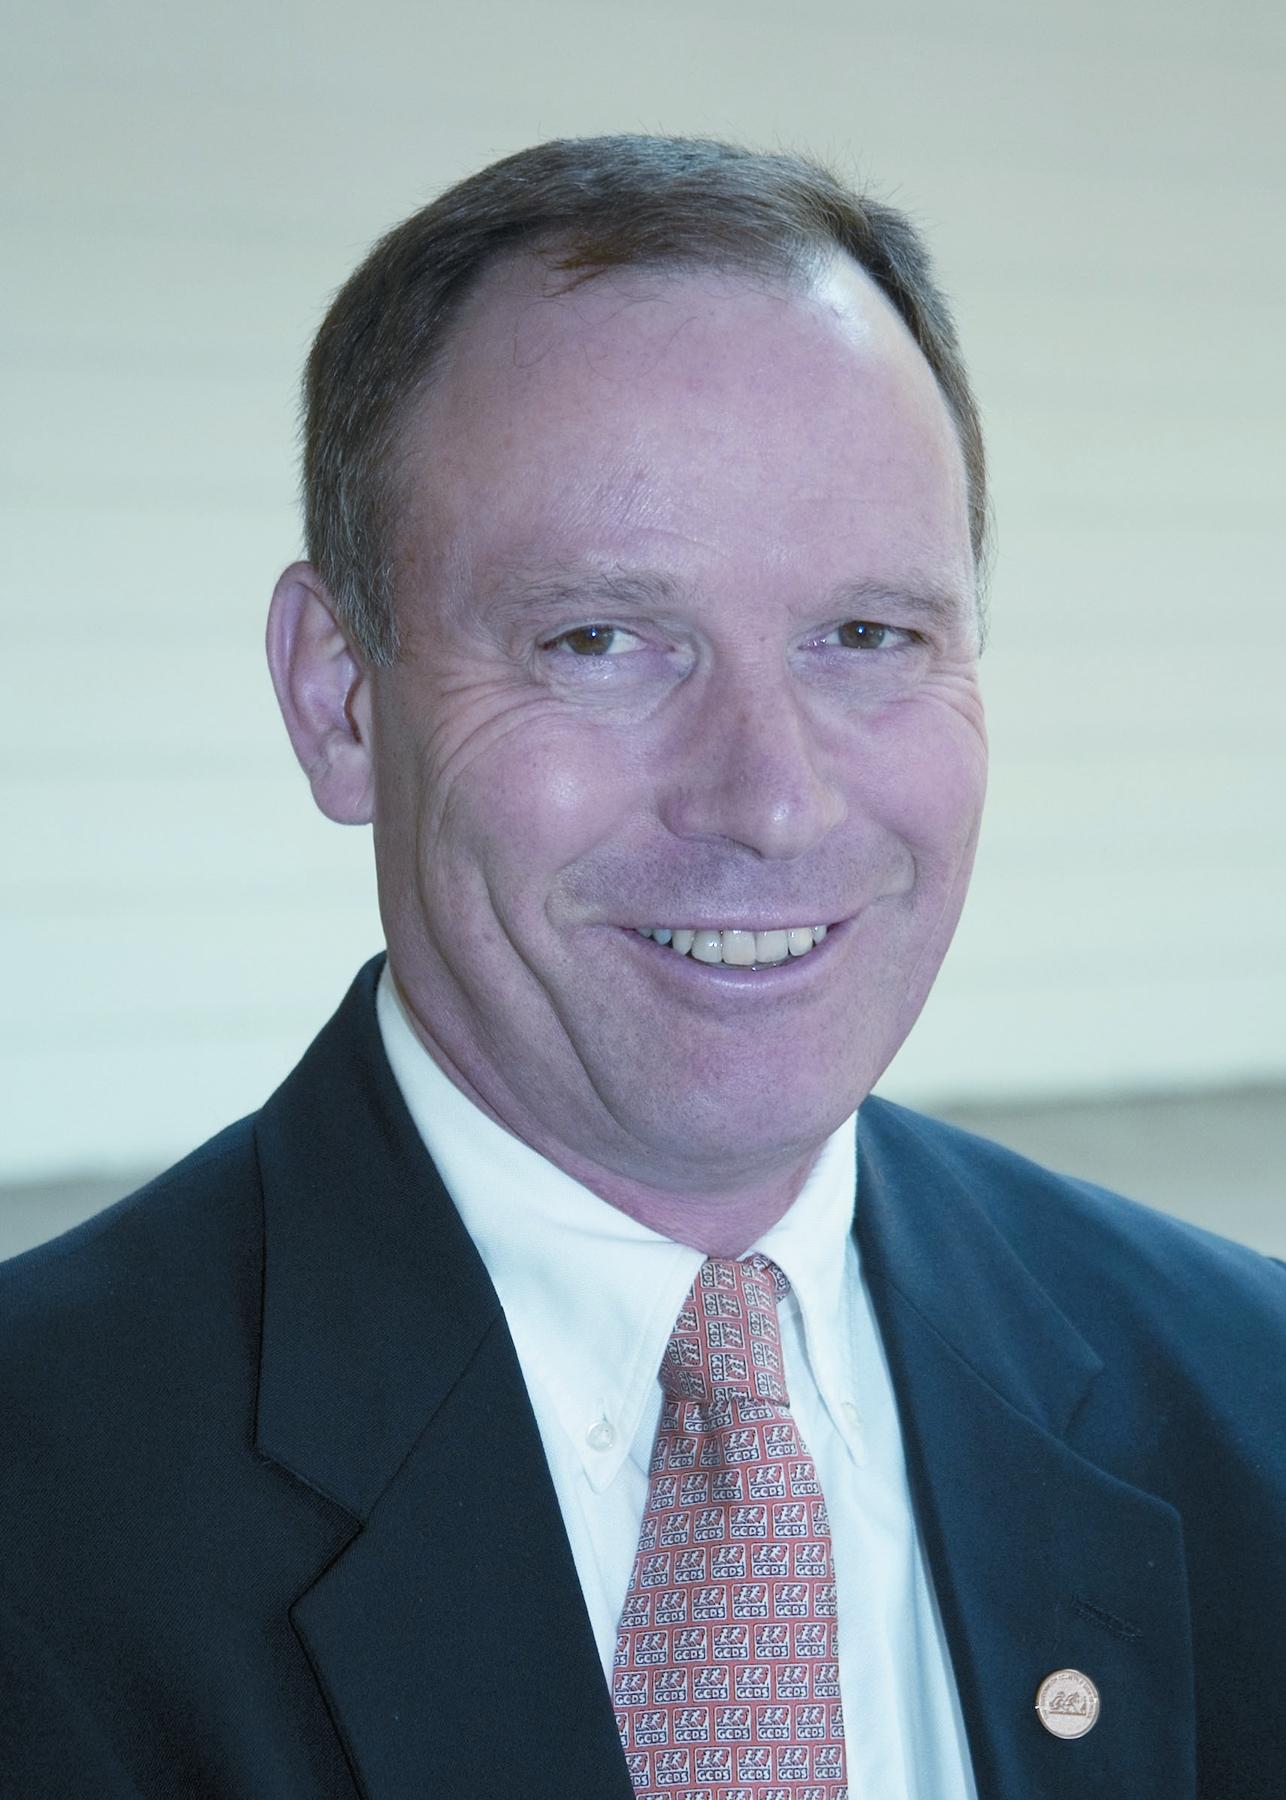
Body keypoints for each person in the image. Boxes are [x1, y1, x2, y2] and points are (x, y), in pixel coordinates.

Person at [1, 136, 1282, 1800]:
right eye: (599, 639)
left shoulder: (1248, 1397)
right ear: (340, 700)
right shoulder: (45, 1506)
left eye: (867, 636)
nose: (769, 800)